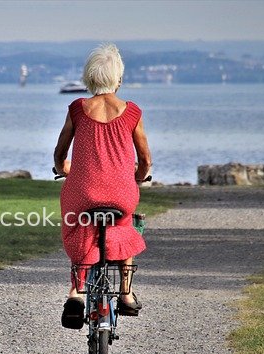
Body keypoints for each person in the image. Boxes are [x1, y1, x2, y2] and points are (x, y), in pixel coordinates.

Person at [53, 43, 152, 329]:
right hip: (121, 193)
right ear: (118, 78)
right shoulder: (132, 112)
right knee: (124, 225)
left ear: (89, 77)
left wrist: (65, 169)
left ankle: (76, 293)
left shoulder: (77, 109)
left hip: (82, 192)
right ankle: (126, 292)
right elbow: (145, 158)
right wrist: (139, 176)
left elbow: (60, 155)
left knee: (79, 224)